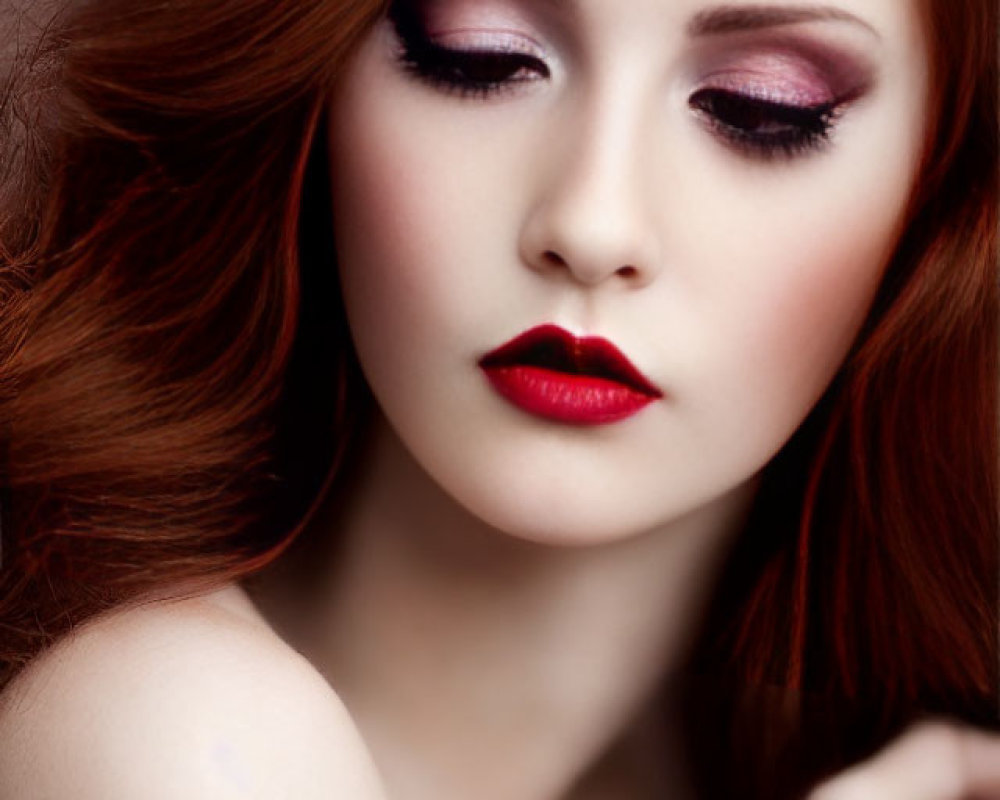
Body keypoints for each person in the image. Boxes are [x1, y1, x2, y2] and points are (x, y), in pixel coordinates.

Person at [0, 0, 996, 798]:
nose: (592, 221)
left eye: (756, 106)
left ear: (939, 181)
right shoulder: (181, 734)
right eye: (479, 57)